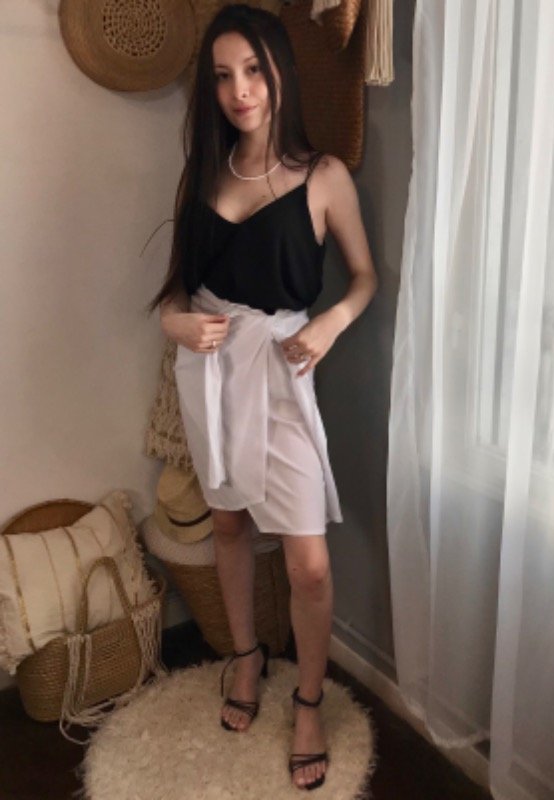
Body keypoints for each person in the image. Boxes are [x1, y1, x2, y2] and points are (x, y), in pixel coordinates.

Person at [147, 2, 377, 791]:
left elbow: (364, 277)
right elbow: (178, 289)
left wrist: (331, 323)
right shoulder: (203, 173)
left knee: (308, 563)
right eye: (222, 76)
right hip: (210, 372)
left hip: (282, 371)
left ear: (281, 71)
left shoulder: (324, 176)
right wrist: (175, 322)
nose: (239, 90)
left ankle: (308, 699)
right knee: (228, 522)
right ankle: (245, 658)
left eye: (252, 70)